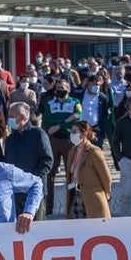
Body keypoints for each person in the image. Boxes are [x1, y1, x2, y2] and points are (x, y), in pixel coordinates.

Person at [2, 102, 53, 219]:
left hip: (34, 191)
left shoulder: (37, 134)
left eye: (11, 116)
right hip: (15, 193)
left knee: (37, 228)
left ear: (23, 117)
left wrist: (31, 180)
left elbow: (47, 161)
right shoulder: (10, 139)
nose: (9, 119)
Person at [40, 80, 80, 215]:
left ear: (68, 89)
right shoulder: (49, 104)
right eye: (57, 88)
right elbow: (47, 120)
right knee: (50, 174)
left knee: (72, 174)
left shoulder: (75, 102)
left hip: (69, 141)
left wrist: (59, 125)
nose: (59, 90)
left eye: (62, 88)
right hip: (53, 142)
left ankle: (71, 207)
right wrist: (65, 122)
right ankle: (49, 208)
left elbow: (77, 116)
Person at [65, 121, 112, 220]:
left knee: (94, 228)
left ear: (84, 134)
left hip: (92, 197)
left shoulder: (94, 152)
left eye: (74, 132)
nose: (71, 134)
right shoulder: (72, 151)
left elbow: (105, 177)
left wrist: (106, 194)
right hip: (75, 195)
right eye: (71, 132)